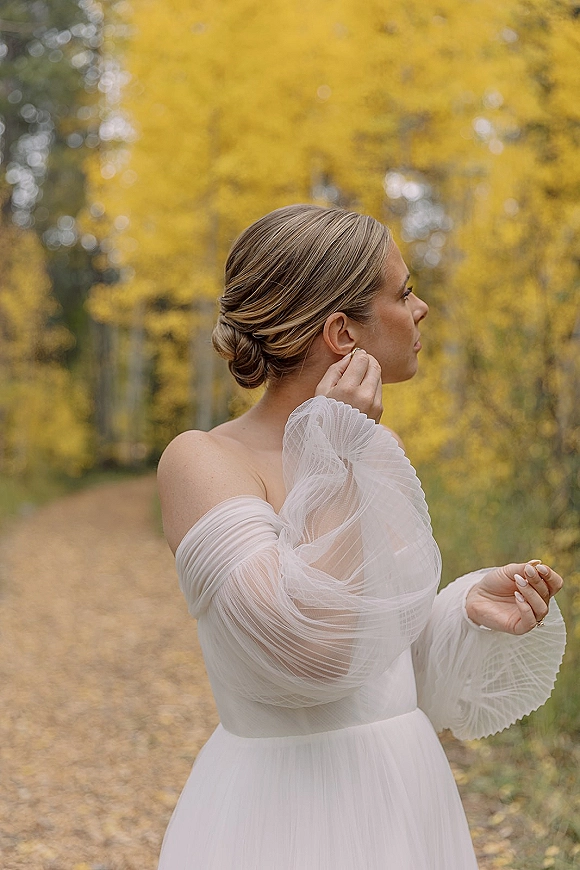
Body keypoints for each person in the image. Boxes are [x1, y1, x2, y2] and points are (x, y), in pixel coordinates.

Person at [156, 204, 566, 869]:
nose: (422, 308)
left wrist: (461, 611)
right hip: (287, 815)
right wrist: (335, 449)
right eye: (403, 292)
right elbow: (311, 653)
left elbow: (375, 668)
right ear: (342, 332)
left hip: (405, 793)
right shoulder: (204, 461)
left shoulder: (376, 448)